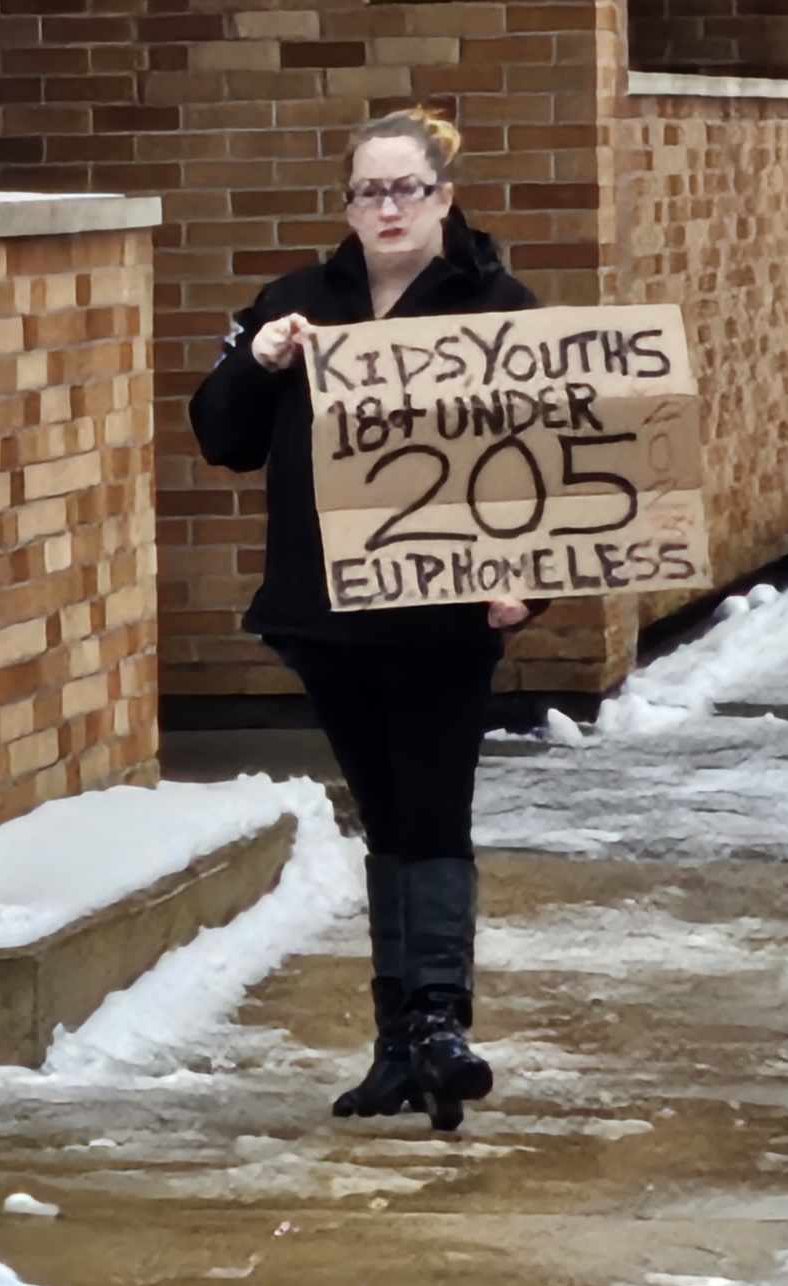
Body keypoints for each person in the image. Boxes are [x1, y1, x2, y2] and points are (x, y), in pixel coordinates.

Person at [190, 106, 540, 1133]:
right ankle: (402, 1043)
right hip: (327, 617)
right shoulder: (296, 306)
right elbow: (221, 437)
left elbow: (551, 469)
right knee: (387, 814)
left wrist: (531, 585)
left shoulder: (498, 307)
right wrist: (255, 361)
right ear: (347, 204)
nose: (387, 208)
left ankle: (437, 1021)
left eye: (407, 189)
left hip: (442, 620)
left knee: (433, 807)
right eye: (368, 191)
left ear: (445, 197)